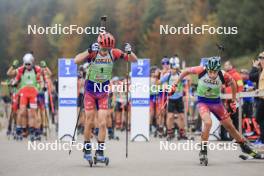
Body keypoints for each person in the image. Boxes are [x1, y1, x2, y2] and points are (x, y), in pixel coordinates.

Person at [172, 57, 261, 163]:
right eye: (210, 72)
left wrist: (233, 100)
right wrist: (175, 84)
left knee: (230, 127)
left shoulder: (223, 74)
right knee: (208, 123)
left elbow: (233, 83)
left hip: (216, 103)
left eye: (215, 72)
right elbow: (185, 71)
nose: (213, 75)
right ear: (207, 69)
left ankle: (244, 146)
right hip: (203, 102)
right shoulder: (201, 69)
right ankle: (203, 151)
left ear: (218, 70)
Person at [74, 32, 137, 163]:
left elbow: (134, 60)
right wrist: (89, 50)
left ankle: (100, 151)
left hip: (103, 91)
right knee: (89, 120)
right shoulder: (93, 52)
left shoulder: (114, 53)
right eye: (103, 49)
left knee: (103, 122)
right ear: (100, 45)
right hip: (90, 90)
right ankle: (86, 147)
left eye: (107, 49)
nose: (104, 51)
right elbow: (76, 60)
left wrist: (129, 52)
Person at [11, 53, 42, 141]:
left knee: (33, 113)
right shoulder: (21, 69)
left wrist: (41, 87)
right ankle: (18, 130)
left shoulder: (37, 69)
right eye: (26, 64)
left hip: (33, 93)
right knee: (22, 111)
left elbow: (39, 80)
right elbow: (16, 79)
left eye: (29, 64)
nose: (27, 66)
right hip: (23, 93)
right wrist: (13, 83)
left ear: (32, 62)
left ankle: (34, 131)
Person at [249, 51, 264, 145]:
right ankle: (261, 139)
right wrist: (255, 88)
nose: (261, 60)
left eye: (262, 58)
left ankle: (262, 140)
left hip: (262, 97)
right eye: (260, 58)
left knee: (260, 118)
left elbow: (251, 76)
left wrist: (254, 67)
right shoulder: (261, 71)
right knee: (259, 118)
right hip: (261, 97)